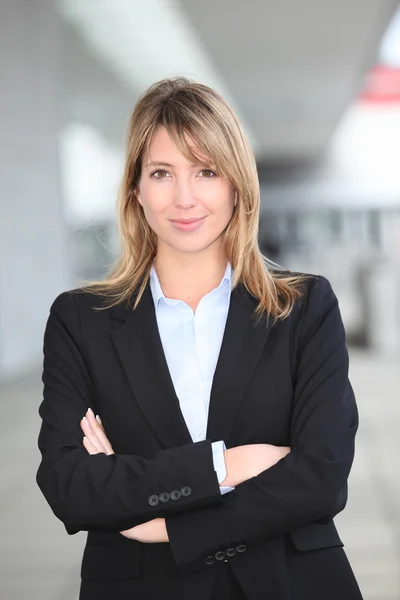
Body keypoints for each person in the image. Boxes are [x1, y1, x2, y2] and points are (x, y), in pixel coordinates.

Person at [36, 77, 363, 600]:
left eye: (206, 171)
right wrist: (227, 464)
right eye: (162, 173)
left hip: (290, 583)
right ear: (136, 189)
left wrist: (164, 523)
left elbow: (321, 477)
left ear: (236, 184)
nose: (184, 198)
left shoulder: (304, 309)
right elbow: (72, 486)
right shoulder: (82, 320)